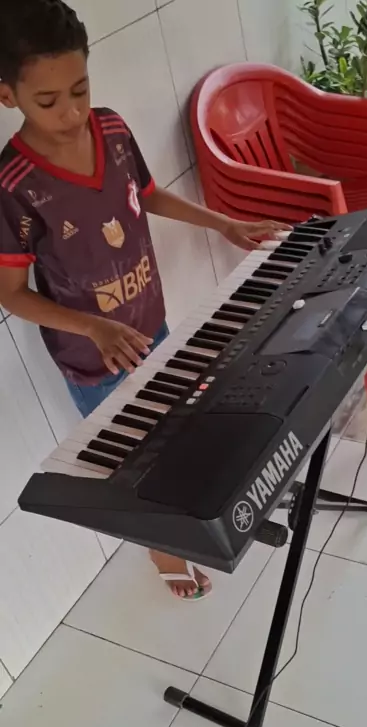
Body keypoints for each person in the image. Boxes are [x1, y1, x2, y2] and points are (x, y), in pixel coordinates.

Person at [0, 0, 288, 601]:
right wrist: (93, 328)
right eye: (48, 101)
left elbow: (148, 194)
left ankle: (193, 508)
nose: (71, 112)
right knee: (131, 459)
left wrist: (224, 223)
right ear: (8, 96)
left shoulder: (110, 128)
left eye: (80, 89)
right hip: (95, 358)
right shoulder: (14, 186)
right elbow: (13, 295)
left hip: (148, 322)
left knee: (180, 422)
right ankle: (160, 545)